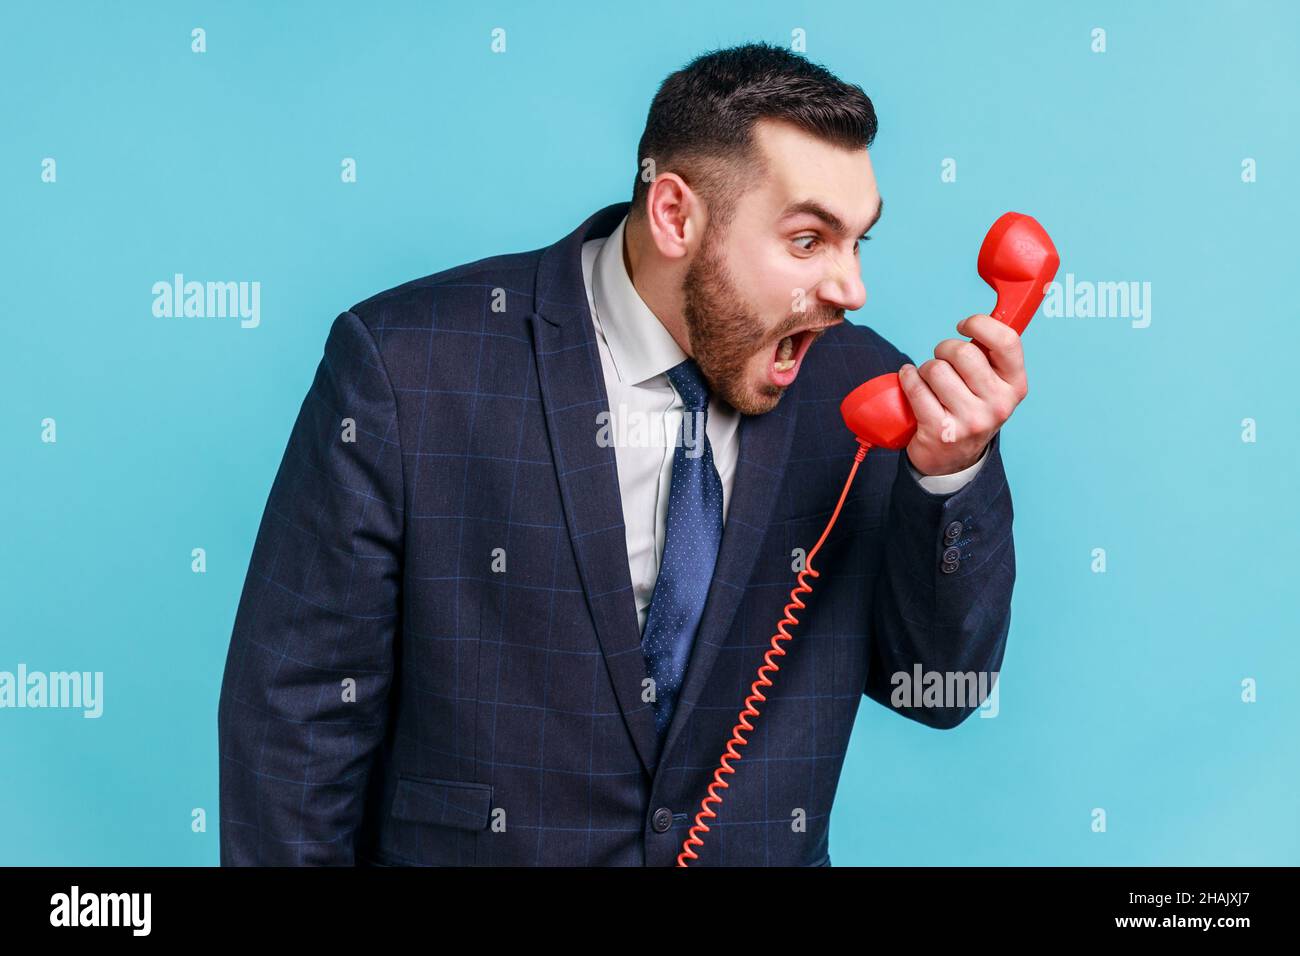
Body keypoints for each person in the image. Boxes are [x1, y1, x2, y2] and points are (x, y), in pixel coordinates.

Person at [218, 41, 1024, 867]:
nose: (851, 289)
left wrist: (949, 471)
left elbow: (937, 690)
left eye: (859, 241)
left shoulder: (861, 389)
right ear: (676, 215)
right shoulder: (409, 368)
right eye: (810, 241)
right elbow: (294, 721)